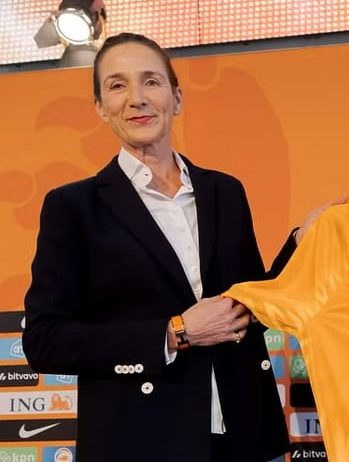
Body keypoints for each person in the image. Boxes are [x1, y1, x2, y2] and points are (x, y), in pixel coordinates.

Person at [23, 33, 292, 462]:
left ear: (176, 98)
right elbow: (44, 341)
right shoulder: (72, 207)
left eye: (151, 81)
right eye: (117, 85)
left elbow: (249, 306)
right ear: (100, 108)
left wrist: (306, 239)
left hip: (243, 437)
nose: (137, 99)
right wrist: (174, 333)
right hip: (141, 443)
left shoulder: (225, 191)